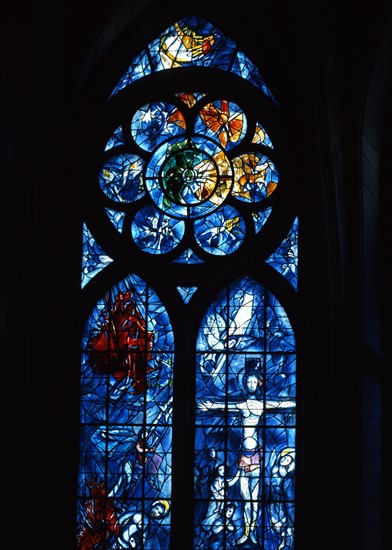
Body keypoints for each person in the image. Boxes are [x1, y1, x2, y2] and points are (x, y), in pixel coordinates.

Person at [197, 366, 295, 546]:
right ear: (245, 383)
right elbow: (224, 407)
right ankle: (246, 533)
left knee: (254, 499)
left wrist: (297, 402)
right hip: (244, 455)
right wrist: (209, 405)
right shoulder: (242, 405)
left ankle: (252, 532)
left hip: (256, 456)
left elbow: (280, 404)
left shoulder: (261, 404)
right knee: (244, 497)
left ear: (258, 384)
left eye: (253, 381)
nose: (250, 384)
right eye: (248, 381)